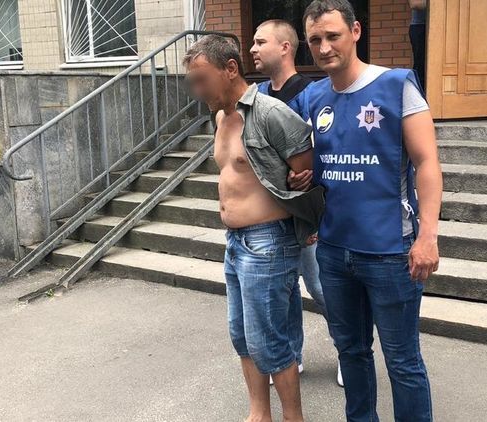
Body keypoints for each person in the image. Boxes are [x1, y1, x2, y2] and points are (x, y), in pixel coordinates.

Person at [295, 1, 443, 420]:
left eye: (333, 36)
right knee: (351, 352)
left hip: (391, 251)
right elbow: (299, 155)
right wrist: (301, 178)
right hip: (333, 251)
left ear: (356, 31)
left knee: (403, 361)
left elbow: (427, 163)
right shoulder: (313, 97)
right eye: (315, 40)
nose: (324, 48)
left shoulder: (396, 85)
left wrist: (427, 236)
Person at [183, 35, 324, 422]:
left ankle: (293, 418)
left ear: (230, 69)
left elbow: (309, 175)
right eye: (192, 82)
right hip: (236, 242)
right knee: (242, 335)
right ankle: (259, 413)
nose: (197, 90)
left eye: (202, 79)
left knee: (269, 341)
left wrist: (305, 208)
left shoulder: (270, 113)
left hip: (269, 242)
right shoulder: (219, 117)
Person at [249, 19, 342, 387]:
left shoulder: (312, 92)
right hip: (271, 214)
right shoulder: (255, 94)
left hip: (305, 210)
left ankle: (349, 350)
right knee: (284, 290)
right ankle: (292, 356)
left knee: (319, 285)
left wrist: (311, 172)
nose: (253, 49)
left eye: (261, 42)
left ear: (285, 47)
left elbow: (327, 144)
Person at [408, 0, 427, 90]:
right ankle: (418, 94)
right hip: (420, 26)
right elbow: (415, 4)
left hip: (443, 26)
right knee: (420, 67)